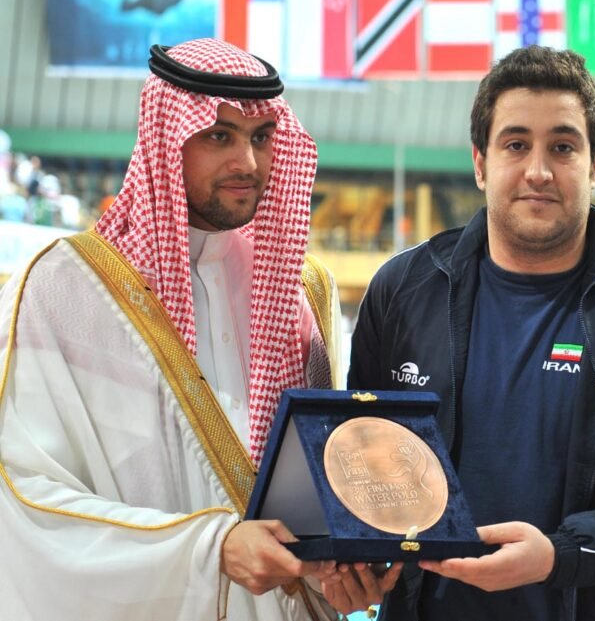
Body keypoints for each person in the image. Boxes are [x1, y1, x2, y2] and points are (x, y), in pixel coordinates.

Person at [0, 39, 399, 620]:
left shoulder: (300, 290)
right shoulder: (63, 288)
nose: (249, 163)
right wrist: (210, 550)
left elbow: (312, 484)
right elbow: (22, 494)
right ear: (167, 137)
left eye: (261, 137)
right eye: (219, 136)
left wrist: (332, 575)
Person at [348, 45, 595, 621]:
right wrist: (354, 567)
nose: (538, 171)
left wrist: (560, 556)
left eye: (563, 147)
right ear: (480, 163)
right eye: (516, 144)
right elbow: (361, 458)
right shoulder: (404, 290)